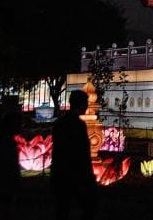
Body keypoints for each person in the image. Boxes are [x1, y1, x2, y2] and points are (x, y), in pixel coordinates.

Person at [51, 90, 96, 220]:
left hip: (60, 172)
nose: (87, 106)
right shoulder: (78, 124)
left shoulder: (60, 123)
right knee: (89, 207)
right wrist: (88, 175)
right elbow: (82, 152)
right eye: (86, 103)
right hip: (75, 174)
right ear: (81, 104)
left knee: (62, 209)